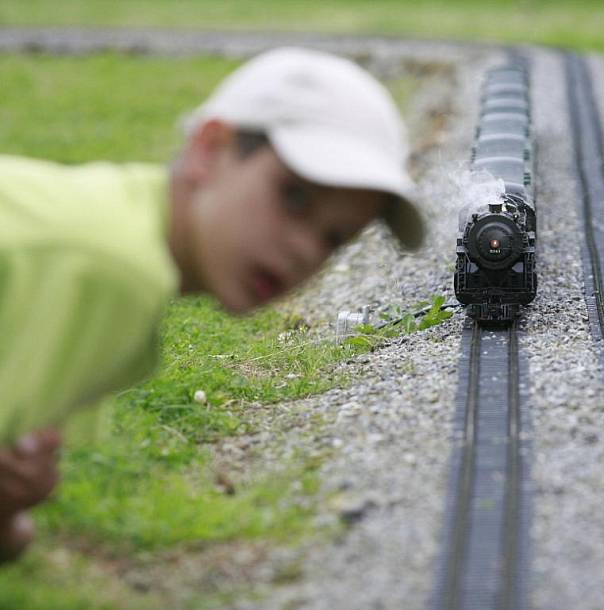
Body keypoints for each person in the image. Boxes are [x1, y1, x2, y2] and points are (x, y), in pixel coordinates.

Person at [0, 47, 424, 562]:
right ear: (208, 148)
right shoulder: (113, 271)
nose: (303, 250)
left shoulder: (116, 217)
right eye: (293, 198)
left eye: (334, 238)